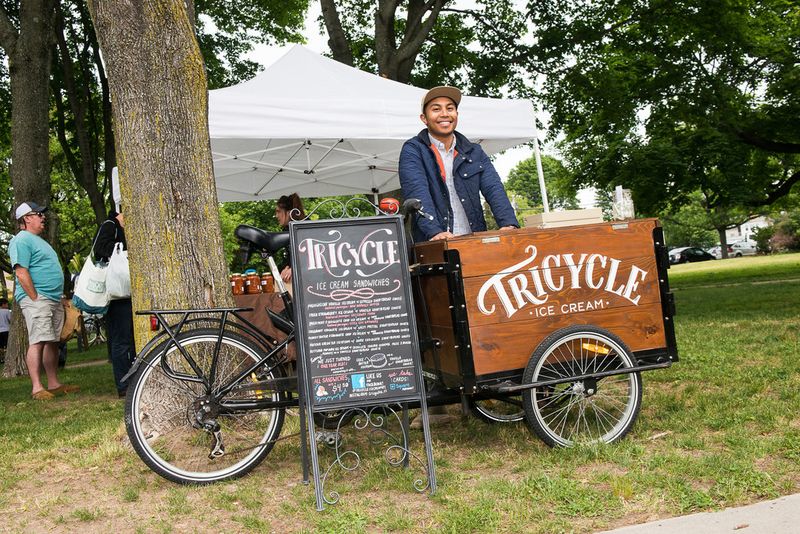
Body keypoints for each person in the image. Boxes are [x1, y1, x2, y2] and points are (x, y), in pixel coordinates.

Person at [399, 86, 519, 242]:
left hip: (474, 240)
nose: (444, 114)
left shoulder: (474, 151)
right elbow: (417, 193)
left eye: (450, 108)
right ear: (424, 118)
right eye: (436, 109)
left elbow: (494, 188)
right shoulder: (413, 150)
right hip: (433, 243)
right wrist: (434, 232)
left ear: (456, 114)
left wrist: (508, 223)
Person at [8, 201, 79, 400]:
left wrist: (60, 297)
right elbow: (21, 272)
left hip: (52, 299)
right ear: (27, 218)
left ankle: (54, 383)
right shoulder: (21, 240)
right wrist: (35, 297)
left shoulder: (39, 240)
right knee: (38, 340)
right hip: (38, 299)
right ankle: (37, 388)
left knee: (53, 342)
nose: (43, 217)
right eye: (38, 214)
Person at [93, 209, 135, 398]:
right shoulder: (110, 226)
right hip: (118, 294)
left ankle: (134, 380)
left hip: (129, 293)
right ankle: (123, 385)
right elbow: (99, 249)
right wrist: (122, 248)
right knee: (121, 341)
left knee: (131, 340)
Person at [275, 193, 306, 283]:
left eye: (278, 211)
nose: (276, 216)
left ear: (289, 212)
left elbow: (310, 257)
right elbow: (292, 257)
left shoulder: (304, 229)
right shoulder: (288, 230)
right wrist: (287, 267)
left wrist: (294, 269)